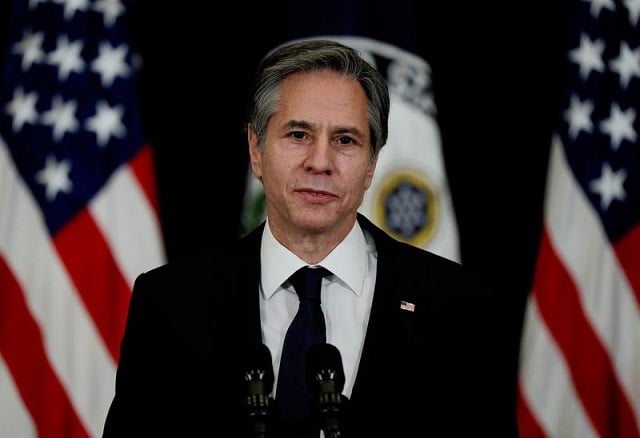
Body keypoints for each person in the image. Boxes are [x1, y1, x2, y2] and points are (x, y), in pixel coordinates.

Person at [102, 39, 518, 437]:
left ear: (372, 164)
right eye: (298, 135)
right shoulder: (171, 303)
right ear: (255, 149)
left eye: (345, 140)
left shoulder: (461, 308)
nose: (320, 162)